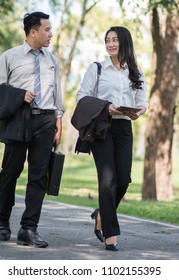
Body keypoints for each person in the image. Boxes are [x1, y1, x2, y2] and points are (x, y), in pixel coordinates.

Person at [0, 11, 64, 248]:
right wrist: (20, 95)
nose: (51, 34)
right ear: (33, 32)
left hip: (46, 119)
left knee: (39, 176)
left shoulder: (52, 60)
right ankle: (3, 218)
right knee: (10, 171)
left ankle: (28, 228)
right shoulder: (10, 57)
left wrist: (58, 119)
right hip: (18, 119)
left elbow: (56, 93)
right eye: (47, 29)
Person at [76, 26, 148, 251]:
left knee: (124, 180)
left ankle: (101, 214)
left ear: (125, 42)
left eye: (115, 40)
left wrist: (138, 111)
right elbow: (82, 97)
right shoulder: (97, 68)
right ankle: (110, 234)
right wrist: (107, 108)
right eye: (107, 40)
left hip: (125, 128)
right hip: (102, 128)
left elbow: (142, 100)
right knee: (108, 181)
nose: (110, 44)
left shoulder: (135, 72)